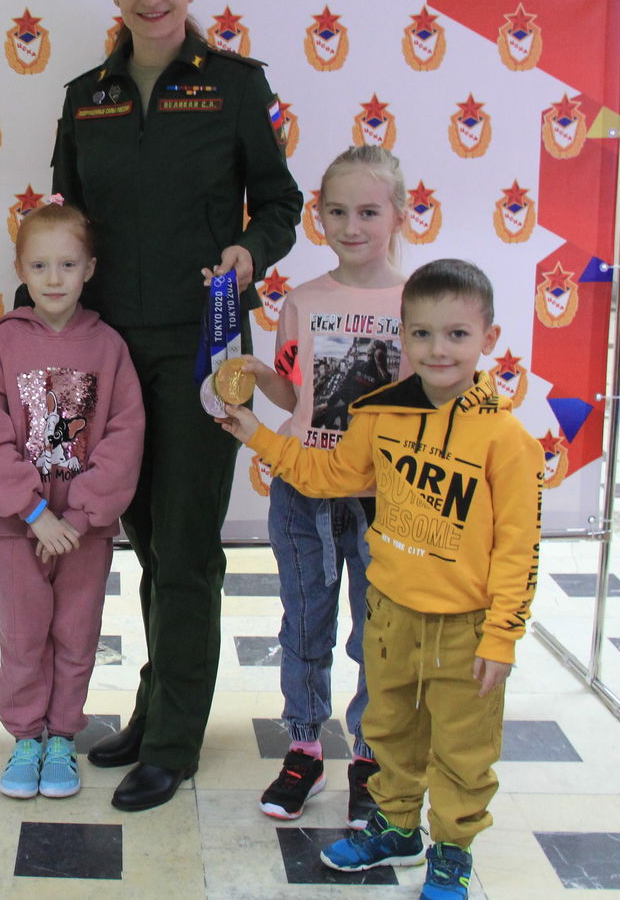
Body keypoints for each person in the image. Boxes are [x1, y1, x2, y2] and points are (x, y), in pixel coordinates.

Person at [51, 0, 302, 811]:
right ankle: (158, 704)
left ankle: (173, 741)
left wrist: (248, 251)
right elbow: (68, 221)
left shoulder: (235, 85)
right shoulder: (87, 96)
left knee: (188, 545)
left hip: (205, 350)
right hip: (111, 352)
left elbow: (281, 203)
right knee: (146, 538)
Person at [219, 259, 542, 900]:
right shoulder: (379, 413)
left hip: (465, 627)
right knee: (390, 730)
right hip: (390, 614)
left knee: (462, 747)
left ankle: (452, 850)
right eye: (421, 334)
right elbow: (329, 476)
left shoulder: (506, 438)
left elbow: (519, 548)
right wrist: (258, 436)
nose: (438, 349)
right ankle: (396, 828)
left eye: (456, 334)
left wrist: (502, 636)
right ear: (402, 335)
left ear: (489, 338)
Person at [243, 146, 409, 828]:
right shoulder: (303, 302)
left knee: (379, 632)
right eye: (337, 212)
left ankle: (371, 754)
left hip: (384, 499)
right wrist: (259, 375)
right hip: (304, 490)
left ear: (399, 214)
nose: (351, 226)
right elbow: (296, 394)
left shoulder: (416, 301)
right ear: (318, 216)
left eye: (368, 211)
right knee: (305, 621)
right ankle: (305, 746)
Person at [0, 202, 145, 801]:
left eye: (68, 264)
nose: (54, 278)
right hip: (18, 529)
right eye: (39, 266)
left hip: (84, 533)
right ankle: (25, 737)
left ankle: (62, 735)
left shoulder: (109, 347)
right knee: (23, 635)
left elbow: (124, 436)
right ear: (19, 270)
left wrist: (80, 515)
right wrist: (36, 513)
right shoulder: (1, 345)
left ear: (89, 268)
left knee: (75, 633)